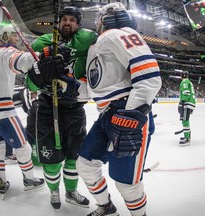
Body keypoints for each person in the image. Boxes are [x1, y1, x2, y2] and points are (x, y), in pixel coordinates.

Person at [75, 3, 162, 216]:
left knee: (127, 183)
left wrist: (131, 117)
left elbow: (149, 77)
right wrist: (67, 83)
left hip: (126, 112)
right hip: (107, 114)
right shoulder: (99, 45)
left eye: (98, 20)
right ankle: (106, 207)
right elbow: (95, 88)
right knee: (85, 165)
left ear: (105, 19)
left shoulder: (119, 34)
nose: (95, 24)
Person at [0, 25, 64, 198]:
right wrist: (44, 53)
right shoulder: (6, 52)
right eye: (15, 35)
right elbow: (23, 62)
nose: (17, 38)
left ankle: (0, 180)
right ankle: (29, 180)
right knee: (23, 147)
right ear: (5, 36)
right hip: (2, 110)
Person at [26, 6, 97, 209]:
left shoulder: (88, 38)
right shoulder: (43, 43)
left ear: (78, 24)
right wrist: (37, 75)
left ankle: (71, 192)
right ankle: (54, 192)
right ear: (58, 23)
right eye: (64, 19)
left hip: (75, 108)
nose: (67, 23)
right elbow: (29, 83)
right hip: (48, 107)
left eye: (72, 20)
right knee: (51, 158)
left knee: (74, 157)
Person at [178, 71, 196, 146]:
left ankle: (187, 139)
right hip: (190, 103)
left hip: (187, 103)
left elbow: (186, 92)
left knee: (185, 120)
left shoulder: (184, 82)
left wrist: (182, 102)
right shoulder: (189, 82)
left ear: (182, 75)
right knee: (186, 120)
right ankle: (188, 135)